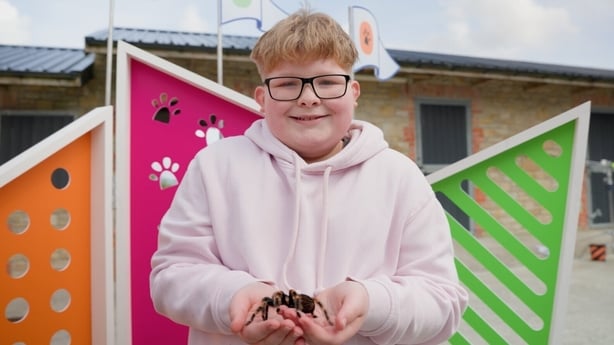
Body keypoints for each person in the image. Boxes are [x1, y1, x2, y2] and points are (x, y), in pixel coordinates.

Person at [150, 8, 468, 345]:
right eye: (287, 84)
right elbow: (173, 277)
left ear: (354, 93)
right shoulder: (214, 166)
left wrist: (370, 304)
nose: (309, 97)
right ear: (262, 99)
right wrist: (238, 298)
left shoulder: (401, 177)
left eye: (328, 82)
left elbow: (442, 300)